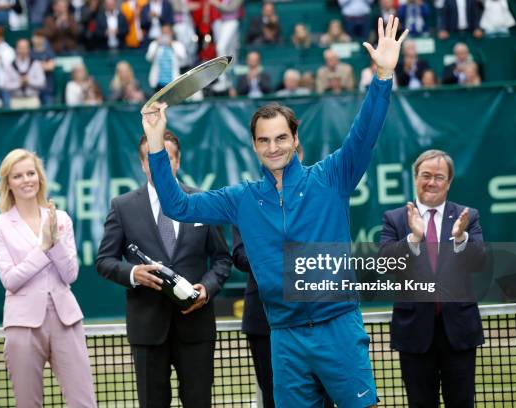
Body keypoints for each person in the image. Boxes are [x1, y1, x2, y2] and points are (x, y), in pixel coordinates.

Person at [141, 16, 408, 408]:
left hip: (338, 329)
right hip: (283, 337)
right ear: (254, 146)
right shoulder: (242, 198)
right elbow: (178, 206)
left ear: (295, 139)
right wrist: (154, 142)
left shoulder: (331, 176)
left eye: (281, 137)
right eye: (264, 140)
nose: (273, 147)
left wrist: (382, 76)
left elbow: (365, 132)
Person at [96, 131, 232, 408]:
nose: (158, 164)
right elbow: (104, 261)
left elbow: (222, 259)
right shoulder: (122, 207)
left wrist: (207, 288)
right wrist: (134, 275)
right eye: (151, 158)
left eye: (166, 157)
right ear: (143, 163)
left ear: (177, 162)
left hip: (196, 327)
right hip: (147, 329)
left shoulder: (203, 201)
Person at [0, 149, 96, 408]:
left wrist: (54, 244)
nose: (26, 180)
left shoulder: (61, 219)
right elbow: (10, 280)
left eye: (30, 173)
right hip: (22, 324)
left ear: (39, 177)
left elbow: (70, 274)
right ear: (8, 184)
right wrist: (44, 248)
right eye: (17, 176)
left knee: (84, 403)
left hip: (66, 319)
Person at [379, 149, 485, 408]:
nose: (432, 182)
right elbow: (385, 263)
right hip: (414, 333)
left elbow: (479, 261)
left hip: (458, 332)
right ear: (415, 178)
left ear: (449, 182)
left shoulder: (467, 217)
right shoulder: (395, 219)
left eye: (439, 177)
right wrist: (413, 238)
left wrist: (461, 238)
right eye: (426, 175)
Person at [232, 146, 334, 408]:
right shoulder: (246, 199)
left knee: (326, 395)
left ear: (300, 156)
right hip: (265, 321)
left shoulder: (320, 196)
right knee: (273, 398)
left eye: (290, 153)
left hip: (321, 315)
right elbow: (240, 255)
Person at [145, 24, 187, 92]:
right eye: (163, 33)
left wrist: (171, 44)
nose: (165, 35)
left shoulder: (177, 45)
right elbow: (149, 58)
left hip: (173, 82)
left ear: (171, 33)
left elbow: (183, 59)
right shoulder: (154, 44)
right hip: (158, 83)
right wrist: (157, 44)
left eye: (167, 33)